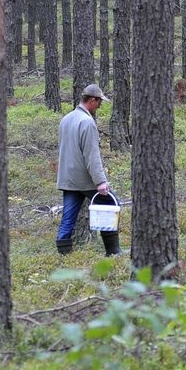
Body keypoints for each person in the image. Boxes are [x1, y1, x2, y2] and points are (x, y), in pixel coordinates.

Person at [55, 83, 120, 256]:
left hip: (67, 178)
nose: (99, 106)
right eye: (99, 102)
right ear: (92, 100)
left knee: (68, 218)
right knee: (111, 205)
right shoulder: (87, 122)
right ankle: (113, 251)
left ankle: (63, 254)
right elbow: (92, 155)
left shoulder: (66, 119)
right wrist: (100, 181)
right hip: (85, 179)